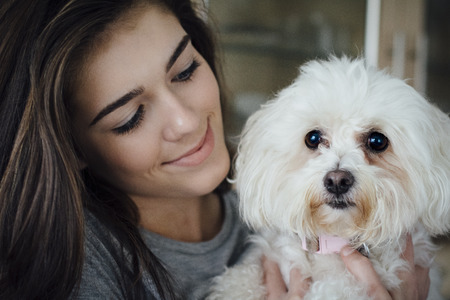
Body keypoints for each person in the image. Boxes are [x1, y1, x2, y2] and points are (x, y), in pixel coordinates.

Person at [0, 0, 430, 299]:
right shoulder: (75, 269)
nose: (187, 122)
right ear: (70, 146)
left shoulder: (275, 194)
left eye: (185, 71)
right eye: (130, 117)